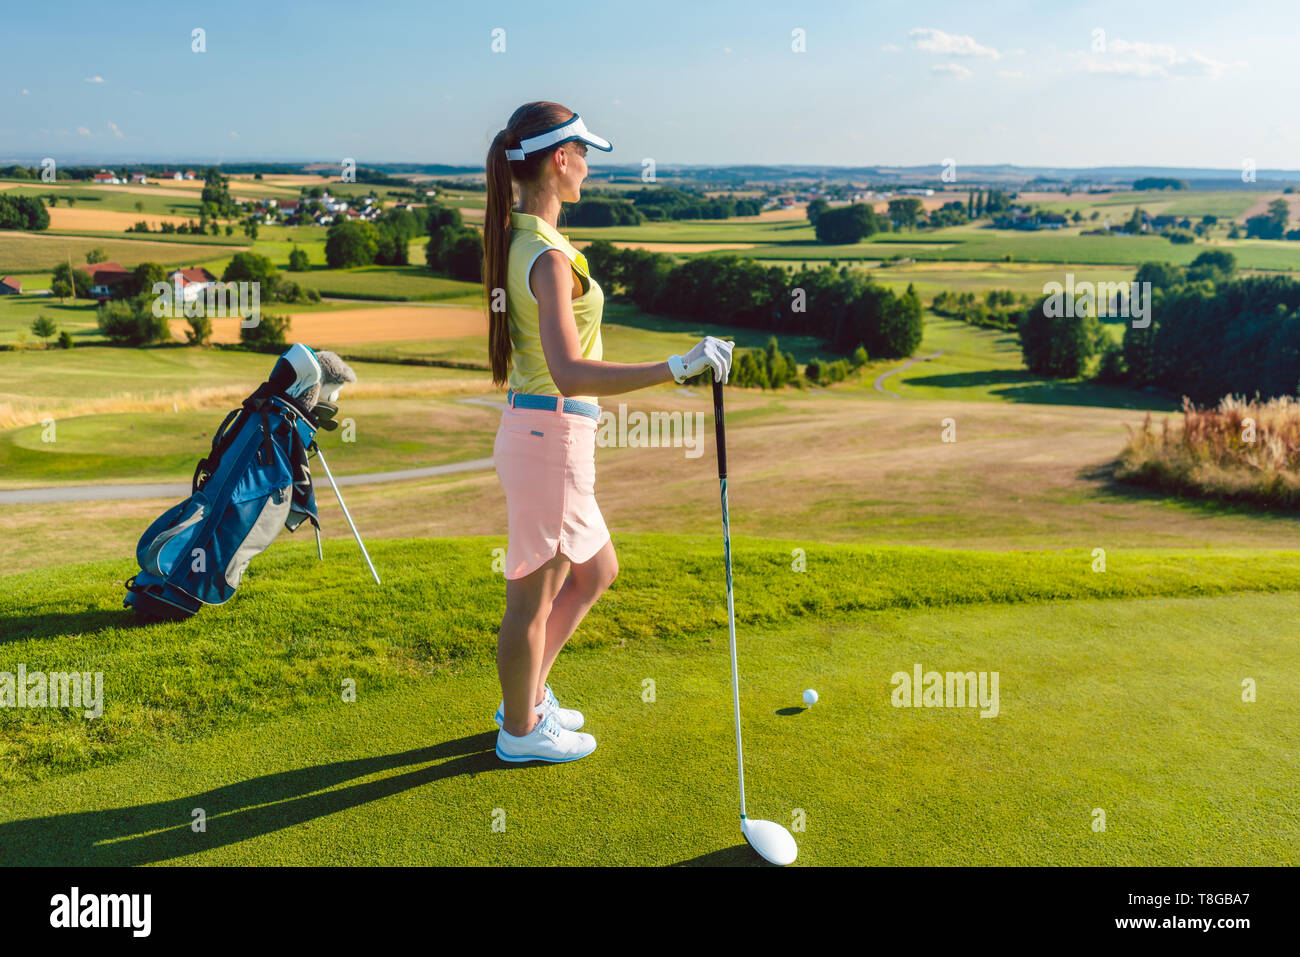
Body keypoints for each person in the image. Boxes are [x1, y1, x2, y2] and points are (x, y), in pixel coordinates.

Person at [482, 101, 734, 762]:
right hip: (549, 439)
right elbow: (568, 371)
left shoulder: (534, 239)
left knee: (595, 570)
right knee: (531, 599)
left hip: (551, 439)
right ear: (558, 159)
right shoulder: (545, 253)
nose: (588, 170)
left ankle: (530, 699)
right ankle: (519, 729)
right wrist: (674, 367)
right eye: (582, 156)